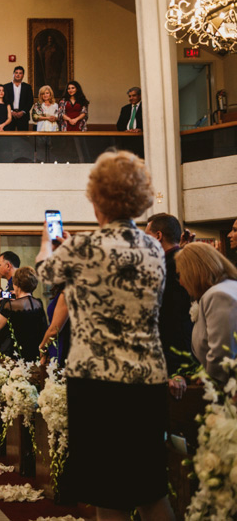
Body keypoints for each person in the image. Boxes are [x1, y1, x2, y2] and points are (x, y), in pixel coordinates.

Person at [35, 150, 173, 520]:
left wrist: (48, 242)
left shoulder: (84, 246)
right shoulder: (153, 247)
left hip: (97, 380)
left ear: (98, 200)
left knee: (107, 491)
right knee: (150, 487)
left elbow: (45, 274)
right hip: (148, 378)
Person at [145, 213, 194, 398]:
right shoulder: (183, 259)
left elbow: (174, 317)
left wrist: (176, 367)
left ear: (158, 236)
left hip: (173, 356)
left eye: (146, 237)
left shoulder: (166, 267)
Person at [176, 242, 237, 384]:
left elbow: (223, 350)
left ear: (194, 271)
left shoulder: (217, 295)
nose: (180, 282)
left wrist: (210, 378)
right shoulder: (228, 286)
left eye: (180, 274)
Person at [0, 267, 47, 360]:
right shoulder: (38, 303)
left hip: (17, 352)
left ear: (16, 284)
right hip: (34, 351)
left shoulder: (11, 305)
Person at [38, 283, 70, 366]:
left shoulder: (67, 293)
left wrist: (42, 346)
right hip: (56, 343)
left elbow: (54, 330)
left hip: (64, 345)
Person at [3, 66, 34, 131]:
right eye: (16, 73)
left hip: (23, 116)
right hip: (9, 115)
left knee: (23, 138)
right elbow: (4, 100)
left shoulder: (27, 87)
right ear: (13, 74)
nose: (18, 75)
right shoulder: (6, 86)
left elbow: (30, 101)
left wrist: (23, 112)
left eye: (20, 73)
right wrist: (11, 111)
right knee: (9, 137)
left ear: (23, 75)